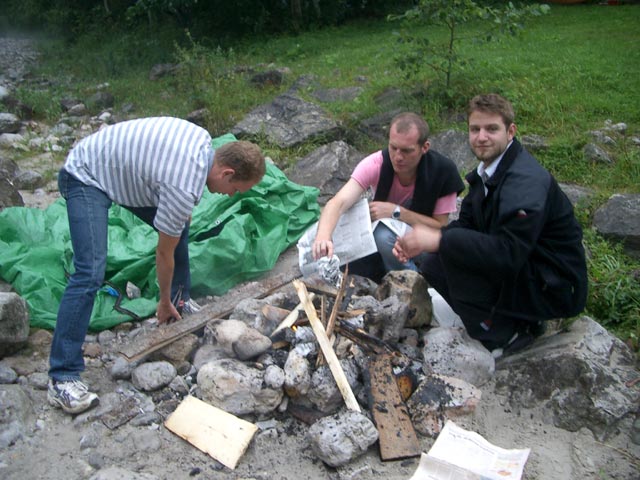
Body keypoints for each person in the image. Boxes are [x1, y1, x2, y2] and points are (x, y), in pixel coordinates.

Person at [48, 116, 265, 414]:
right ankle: (62, 378)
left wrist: (176, 218)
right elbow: (163, 254)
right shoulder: (183, 186)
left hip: (120, 170)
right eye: (236, 189)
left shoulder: (202, 139)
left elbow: (166, 189)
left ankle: (181, 301)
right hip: (86, 174)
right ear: (227, 172)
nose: (232, 195)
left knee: (179, 226)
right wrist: (160, 302)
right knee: (90, 272)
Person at [394, 94, 588, 355]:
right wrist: (423, 240)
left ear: (510, 132)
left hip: (555, 284)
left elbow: (508, 253)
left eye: (491, 129)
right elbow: (467, 225)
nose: (481, 137)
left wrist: (440, 240)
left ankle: (506, 335)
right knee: (435, 262)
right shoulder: (488, 173)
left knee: (449, 256)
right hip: (527, 268)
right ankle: (510, 321)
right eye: (475, 129)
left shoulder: (524, 181)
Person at [312, 112, 464, 282]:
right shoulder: (376, 164)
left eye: (407, 151)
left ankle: (414, 284)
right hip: (387, 247)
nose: (398, 157)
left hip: (425, 243)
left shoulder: (443, 171)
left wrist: (397, 212)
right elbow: (338, 203)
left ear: (425, 147)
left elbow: (440, 227)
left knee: (383, 235)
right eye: (393, 148)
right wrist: (323, 237)